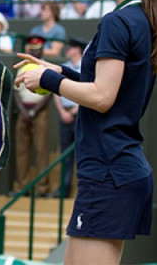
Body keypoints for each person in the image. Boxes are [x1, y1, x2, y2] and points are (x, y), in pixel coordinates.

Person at [15, 0, 157, 263]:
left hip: (109, 172)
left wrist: (48, 79)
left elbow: (102, 96)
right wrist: (61, 72)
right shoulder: (141, 18)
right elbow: (110, 86)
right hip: (111, 171)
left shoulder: (120, 20)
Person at [12, 35, 53, 197]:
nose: (35, 52)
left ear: (42, 50)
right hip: (23, 111)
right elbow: (16, 91)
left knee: (41, 149)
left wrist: (35, 111)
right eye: (32, 49)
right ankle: (22, 186)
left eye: (38, 50)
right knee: (21, 150)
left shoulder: (46, 67)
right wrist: (23, 110)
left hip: (40, 111)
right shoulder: (24, 67)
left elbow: (50, 94)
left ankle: (43, 187)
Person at [53, 37, 86, 198]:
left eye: (71, 47)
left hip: (81, 114)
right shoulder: (64, 67)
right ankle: (63, 188)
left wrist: (75, 110)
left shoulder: (86, 67)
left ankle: (82, 190)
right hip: (64, 112)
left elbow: (87, 89)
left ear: (78, 49)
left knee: (82, 153)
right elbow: (56, 94)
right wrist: (62, 112)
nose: (68, 50)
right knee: (64, 153)